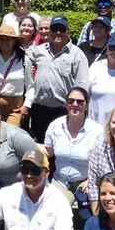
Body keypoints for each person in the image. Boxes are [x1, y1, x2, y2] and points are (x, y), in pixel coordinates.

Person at [44, 88, 103, 217]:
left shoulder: (97, 131)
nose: (75, 105)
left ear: (86, 105)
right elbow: (48, 152)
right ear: (66, 104)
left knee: (88, 217)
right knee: (51, 213)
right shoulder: (55, 126)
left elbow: (103, 162)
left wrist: (91, 181)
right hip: (61, 181)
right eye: (71, 101)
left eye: (80, 102)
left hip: (86, 182)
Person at [30, 15, 90, 143]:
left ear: (68, 32)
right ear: (49, 31)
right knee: (40, 146)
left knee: (61, 146)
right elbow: (22, 63)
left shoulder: (77, 55)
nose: (58, 32)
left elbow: (82, 85)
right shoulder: (38, 51)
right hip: (39, 110)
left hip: (63, 111)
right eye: (54, 29)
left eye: (62, 29)